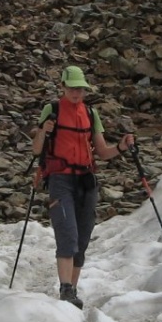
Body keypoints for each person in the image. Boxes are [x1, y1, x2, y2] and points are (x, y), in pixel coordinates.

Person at [30, 65, 135, 308]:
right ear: (63, 87)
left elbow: (102, 152)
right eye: (73, 88)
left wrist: (120, 147)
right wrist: (43, 132)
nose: (77, 93)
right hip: (60, 179)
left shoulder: (90, 113)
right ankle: (65, 290)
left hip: (87, 181)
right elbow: (37, 150)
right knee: (68, 234)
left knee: (83, 238)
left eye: (81, 89)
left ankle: (72, 290)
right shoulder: (52, 109)